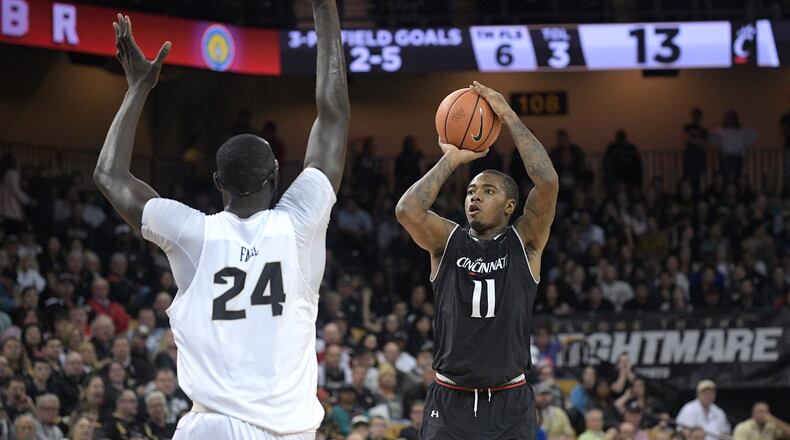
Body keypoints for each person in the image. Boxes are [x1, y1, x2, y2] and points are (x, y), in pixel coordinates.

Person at [93, 1, 349, 438]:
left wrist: (138, 88)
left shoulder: (193, 233)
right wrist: (324, 8)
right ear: (276, 175)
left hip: (210, 427)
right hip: (284, 430)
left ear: (216, 182)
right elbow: (333, 112)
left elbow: (109, 175)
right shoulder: (299, 224)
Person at [396, 81, 558, 439]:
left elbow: (546, 181)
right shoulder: (448, 241)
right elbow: (407, 210)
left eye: (488, 191)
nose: (475, 197)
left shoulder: (524, 242)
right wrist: (452, 158)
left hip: (509, 401)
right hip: (449, 400)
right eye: (471, 191)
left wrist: (509, 116)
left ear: (510, 206)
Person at [683, 108, 709, 194]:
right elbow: (687, 139)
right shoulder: (687, 127)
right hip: (689, 157)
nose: (696, 117)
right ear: (692, 116)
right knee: (688, 178)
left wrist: (695, 140)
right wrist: (698, 141)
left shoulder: (704, 130)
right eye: (695, 115)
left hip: (699, 157)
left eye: (698, 116)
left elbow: (705, 144)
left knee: (698, 180)